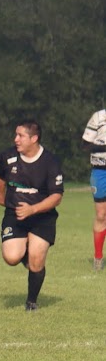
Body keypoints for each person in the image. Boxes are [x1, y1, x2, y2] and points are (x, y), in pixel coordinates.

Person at [0, 120, 63, 311]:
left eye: (21, 136)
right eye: (15, 135)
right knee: (11, 257)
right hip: (14, 215)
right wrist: (1, 199)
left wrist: (33, 209)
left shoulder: (50, 161)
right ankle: (28, 256)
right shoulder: (7, 157)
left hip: (42, 217)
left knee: (37, 259)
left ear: (34, 138)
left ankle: (31, 301)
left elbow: (57, 196)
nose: (16, 139)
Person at [81, 108, 106, 270]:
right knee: (101, 214)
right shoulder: (99, 117)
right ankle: (98, 257)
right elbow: (85, 145)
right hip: (100, 171)